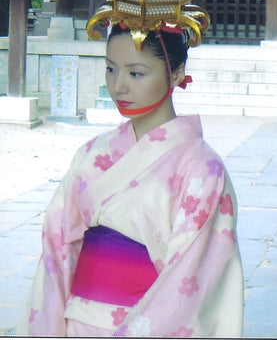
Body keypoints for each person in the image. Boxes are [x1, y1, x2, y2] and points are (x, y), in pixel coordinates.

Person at [17, 24, 243, 337]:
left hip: (146, 324)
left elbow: (189, 280)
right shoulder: (92, 153)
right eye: (111, 69)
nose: (118, 86)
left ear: (177, 73)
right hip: (75, 323)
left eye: (135, 73)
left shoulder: (203, 168)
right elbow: (56, 250)